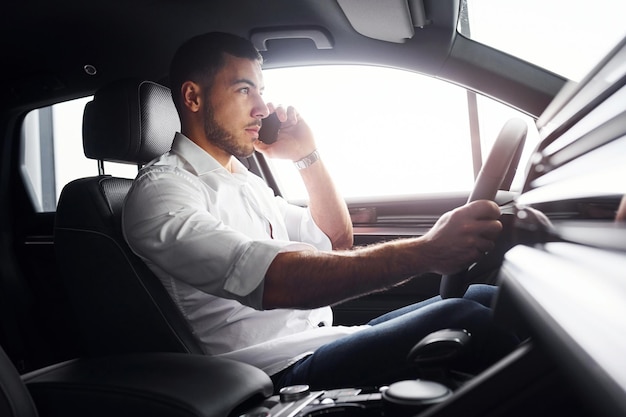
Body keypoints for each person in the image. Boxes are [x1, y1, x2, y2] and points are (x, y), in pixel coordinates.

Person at [122, 31, 518, 391]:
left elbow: (335, 241)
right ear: (193, 97)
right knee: (471, 321)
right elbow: (277, 281)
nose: (262, 107)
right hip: (272, 375)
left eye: (262, 90)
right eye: (245, 90)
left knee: (487, 297)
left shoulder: (243, 181)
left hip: (321, 341)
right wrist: (426, 251)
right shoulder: (164, 191)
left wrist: (306, 156)